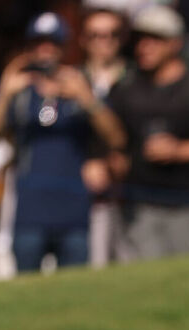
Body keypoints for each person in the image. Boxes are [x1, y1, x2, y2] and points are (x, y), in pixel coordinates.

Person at [0, 12, 126, 272]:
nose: (45, 49)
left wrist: (86, 98)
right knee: (27, 285)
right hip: (29, 210)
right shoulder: (21, 91)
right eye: (38, 42)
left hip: (74, 209)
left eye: (53, 43)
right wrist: (4, 93)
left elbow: (116, 138)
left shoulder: (82, 83)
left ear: (64, 47)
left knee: (74, 288)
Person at [107, 4, 189, 260]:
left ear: (175, 43)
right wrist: (114, 158)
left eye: (154, 40)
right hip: (139, 205)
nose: (144, 47)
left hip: (187, 203)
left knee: (184, 274)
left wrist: (180, 150)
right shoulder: (126, 87)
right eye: (140, 40)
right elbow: (113, 138)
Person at [79, 7, 129, 267]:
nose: (104, 42)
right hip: (82, 190)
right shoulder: (70, 79)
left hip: (130, 192)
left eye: (112, 35)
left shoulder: (136, 79)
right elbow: (50, 122)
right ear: (83, 40)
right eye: (96, 35)